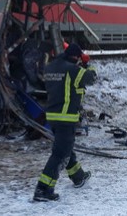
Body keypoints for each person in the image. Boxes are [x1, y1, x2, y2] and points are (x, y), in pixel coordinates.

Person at [33, 43, 97, 202]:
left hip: (53, 117)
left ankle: (78, 176)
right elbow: (92, 78)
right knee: (60, 154)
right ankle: (43, 189)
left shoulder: (50, 68)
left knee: (65, 147)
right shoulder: (73, 70)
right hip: (66, 118)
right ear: (76, 57)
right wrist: (88, 64)